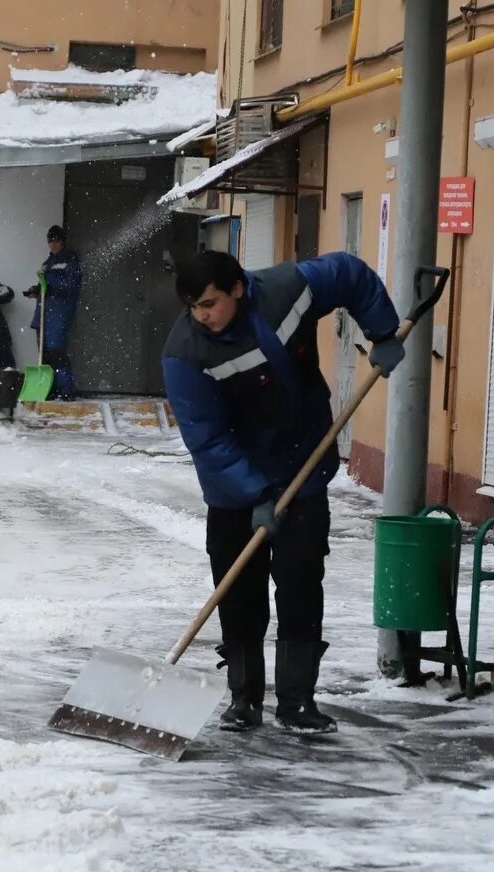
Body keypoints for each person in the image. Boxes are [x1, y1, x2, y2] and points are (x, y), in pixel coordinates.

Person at [161, 250, 405, 735]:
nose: (201, 316)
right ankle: (244, 699)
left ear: (237, 287)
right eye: (193, 307)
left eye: (209, 303)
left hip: (302, 464)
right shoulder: (185, 352)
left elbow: (350, 276)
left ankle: (297, 702)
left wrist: (382, 331)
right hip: (235, 486)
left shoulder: (288, 289)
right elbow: (207, 439)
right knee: (239, 592)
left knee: (300, 586)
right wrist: (254, 493)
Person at [23, 225, 82, 400]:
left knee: (56, 350)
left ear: (62, 241)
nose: (53, 245)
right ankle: (49, 389)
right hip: (43, 314)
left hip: (59, 313)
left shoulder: (70, 261)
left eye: (56, 241)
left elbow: (71, 286)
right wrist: (36, 289)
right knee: (44, 353)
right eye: (50, 241)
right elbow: (45, 287)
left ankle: (66, 389)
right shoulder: (47, 263)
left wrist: (50, 287)